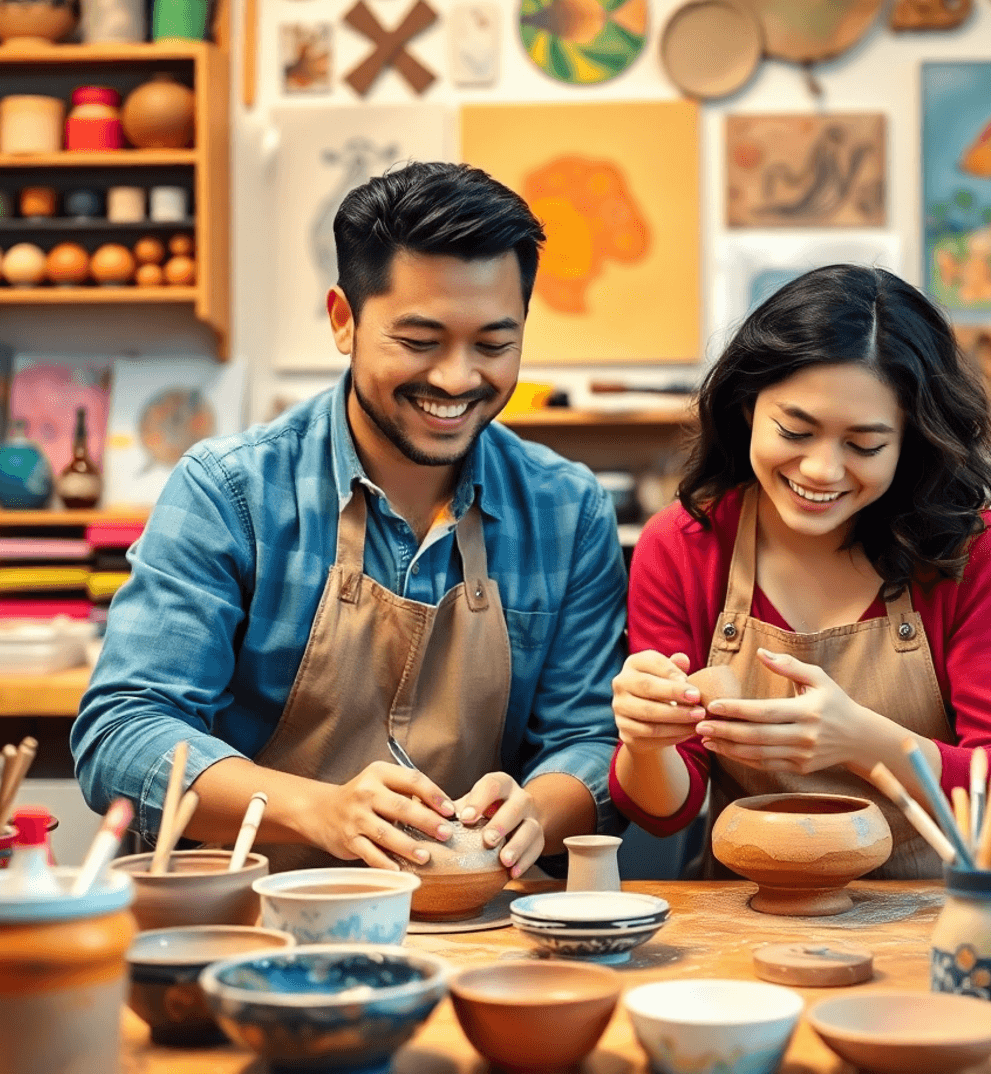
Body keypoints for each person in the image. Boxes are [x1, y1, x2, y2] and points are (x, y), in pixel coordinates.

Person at [73, 162, 627, 876]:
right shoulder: (231, 492)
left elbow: (590, 740)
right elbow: (122, 733)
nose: (457, 379)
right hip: (252, 914)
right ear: (344, 320)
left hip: (479, 918)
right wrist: (320, 810)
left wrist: (537, 810)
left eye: (494, 344)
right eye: (420, 342)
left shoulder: (567, 509)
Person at [609, 265, 991, 877]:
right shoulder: (685, 545)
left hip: (956, 906)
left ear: (910, 440)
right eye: (795, 430)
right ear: (747, 407)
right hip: (756, 909)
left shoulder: (965, 547)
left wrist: (865, 743)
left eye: (864, 445)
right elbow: (666, 811)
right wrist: (645, 740)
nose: (821, 470)